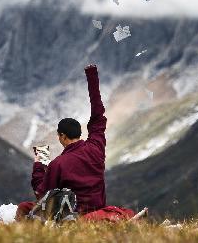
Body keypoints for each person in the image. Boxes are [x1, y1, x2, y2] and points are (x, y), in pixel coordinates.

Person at [16, 64, 135, 221]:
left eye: (59, 136)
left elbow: (42, 194)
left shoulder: (57, 164)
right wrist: (92, 76)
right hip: (98, 211)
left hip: (72, 217)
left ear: (63, 136)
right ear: (79, 133)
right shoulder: (96, 148)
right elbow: (98, 116)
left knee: (24, 207)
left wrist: (39, 165)